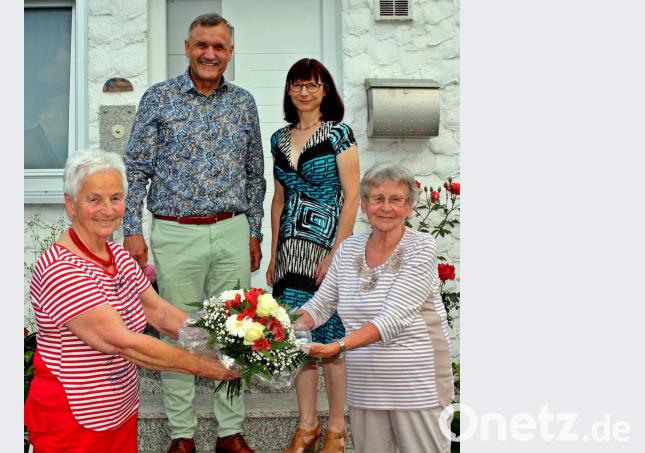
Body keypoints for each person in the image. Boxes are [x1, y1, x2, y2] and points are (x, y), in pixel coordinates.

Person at [24, 148, 239, 453]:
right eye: (94, 199)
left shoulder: (117, 255)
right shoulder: (62, 269)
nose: (107, 209)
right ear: (71, 205)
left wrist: (226, 344)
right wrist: (208, 367)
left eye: (115, 198)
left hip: (119, 413)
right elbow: (124, 343)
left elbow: (161, 313)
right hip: (73, 421)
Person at [122, 12, 265, 453]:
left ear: (230, 52)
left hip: (232, 229)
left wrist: (254, 231)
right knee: (178, 332)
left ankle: (229, 431)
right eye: (202, 45)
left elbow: (255, 174)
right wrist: (131, 228)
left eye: (218, 46)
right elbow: (136, 169)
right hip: (175, 232)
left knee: (237, 331)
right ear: (187, 48)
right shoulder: (159, 99)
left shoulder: (243, 103)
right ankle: (181, 434)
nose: (209, 53)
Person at [295, 162, 455, 453]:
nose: (386, 207)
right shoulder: (348, 249)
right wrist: (276, 325)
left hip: (418, 386)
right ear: (364, 204)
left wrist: (336, 347)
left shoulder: (422, 247)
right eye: (378, 198)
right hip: (365, 386)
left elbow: (392, 319)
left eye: (396, 199)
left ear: (409, 207)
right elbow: (320, 305)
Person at [264, 58, 360, 453]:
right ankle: (307, 425)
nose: (304, 92)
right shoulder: (278, 139)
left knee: (331, 337)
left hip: (326, 246)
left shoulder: (339, 133)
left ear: (325, 91)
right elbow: (279, 198)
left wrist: (338, 252)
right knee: (297, 337)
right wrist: (274, 254)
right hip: (290, 251)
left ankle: (336, 428)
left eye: (312, 85)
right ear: (289, 90)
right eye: (297, 85)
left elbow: (352, 197)